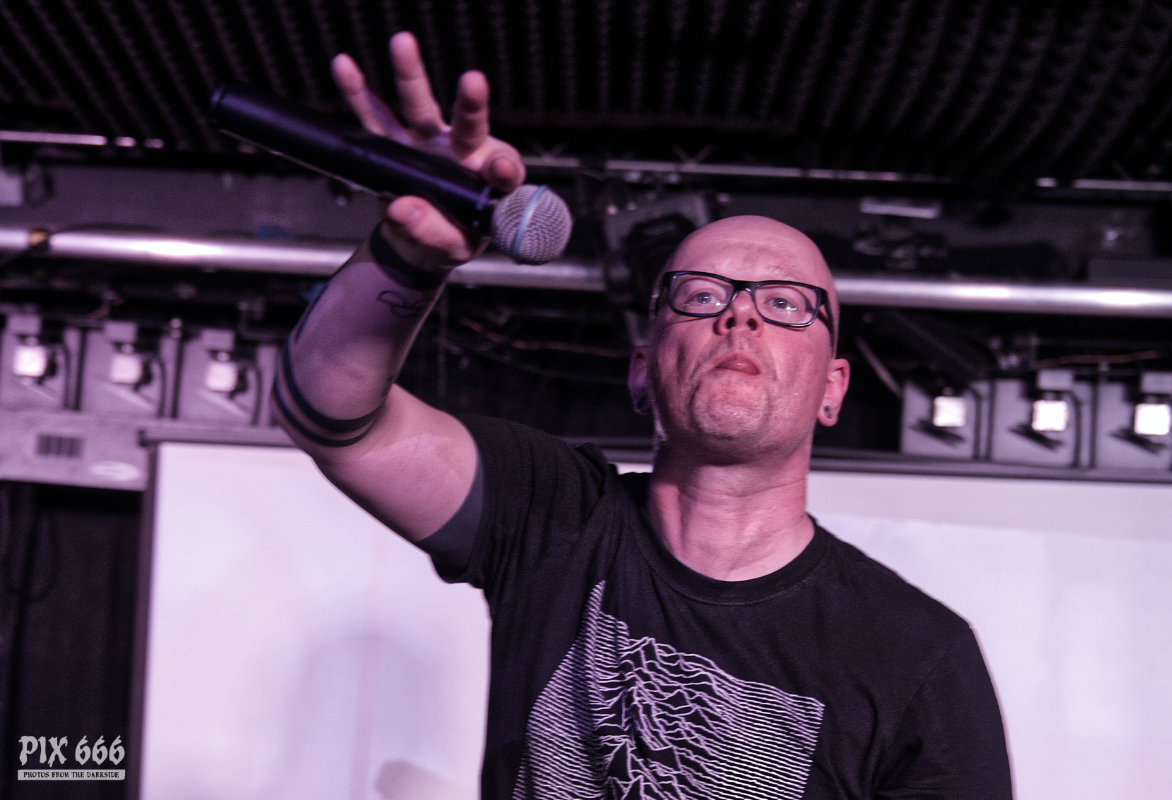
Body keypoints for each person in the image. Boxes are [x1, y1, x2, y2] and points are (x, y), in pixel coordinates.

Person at [273, 32, 1012, 800]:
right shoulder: (552, 515)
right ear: (641, 369)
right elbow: (331, 416)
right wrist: (408, 256)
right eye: (701, 295)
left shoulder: (919, 656)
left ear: (834, 389)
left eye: (786, 303)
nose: (740, 316)